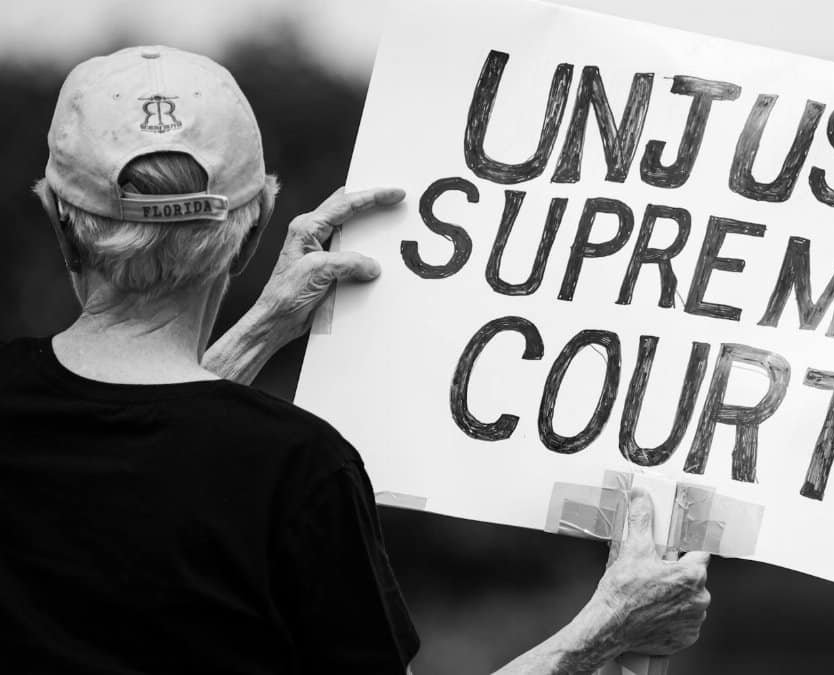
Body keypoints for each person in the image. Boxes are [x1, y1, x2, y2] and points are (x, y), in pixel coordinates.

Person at [0, 45, 710, 674]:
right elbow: (173, 450)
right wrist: (605, 627)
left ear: (62, 224)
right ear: (248, 240)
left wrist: (263, 328)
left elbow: (133, 445)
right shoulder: (297, 470)